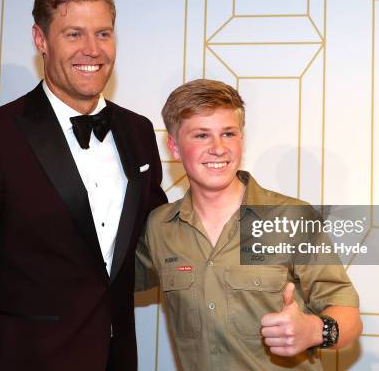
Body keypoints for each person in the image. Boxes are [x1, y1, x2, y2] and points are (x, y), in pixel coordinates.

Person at [0, 0, 166, 371]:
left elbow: (159, 237)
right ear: (41, 39)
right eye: (74, 34)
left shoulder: (138, 131)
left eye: (103, 34)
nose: (93, 49)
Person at [136, 79, 362, 370]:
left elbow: (350, 316)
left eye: (228, 134)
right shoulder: (159, 227)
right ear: (174, 147)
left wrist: (314, 330)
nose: (218, 148)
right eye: (202, 136)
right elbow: (104, 284)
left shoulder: (292, 217)